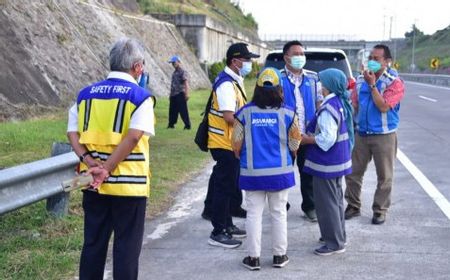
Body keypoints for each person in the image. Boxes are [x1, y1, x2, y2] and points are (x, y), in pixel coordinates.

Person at [67, 37, 155, 280]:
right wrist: (107, 168)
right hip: (129, 187)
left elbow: (72, 132)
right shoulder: (141, 97)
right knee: (126, 249)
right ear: (137, 67)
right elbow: (134, 136)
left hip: (93, 185)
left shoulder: (85, 95)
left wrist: (88, 159)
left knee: (93, 245)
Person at [233, 67, 301, 270]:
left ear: (257, 88)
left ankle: (253, 258)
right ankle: (279, 256)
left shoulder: (244, 113)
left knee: (254, 214)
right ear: (280, 89)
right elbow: (295, 143)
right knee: (279, 213)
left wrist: (241, 155)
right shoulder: (289, 113)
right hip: (280, 175)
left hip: (252, 175)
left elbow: (236, 144)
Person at [206, 42, 259, 248]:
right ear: (235, 61)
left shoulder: (234, 80)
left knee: (229, 187)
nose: (249, 64)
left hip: (230, 142)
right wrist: (248, 125)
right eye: (246, 60)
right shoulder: (226, 84)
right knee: (223, 187)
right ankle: (218, 231)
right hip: (224, 143)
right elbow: (229, 116)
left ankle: (227, 224)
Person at [344, 44, 405, 225]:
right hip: (361, 134)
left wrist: (372, 86)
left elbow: (384, 106)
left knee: (384, 176)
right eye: (370, 57)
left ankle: (380, 210)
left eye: (376, 58)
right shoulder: (361, 80)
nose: (371, 61)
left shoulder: (394, 82)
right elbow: (353, 104)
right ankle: (353, 206)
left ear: (387, 62)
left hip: (384, 135)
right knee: (353, 172)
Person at [302, 68, 353, 256]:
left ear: (328, 85)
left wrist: (307, 139)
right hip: (336, 163)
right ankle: (338, 236)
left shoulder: (327, 109)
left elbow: (327, 139)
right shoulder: (338, 102)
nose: (319, 86)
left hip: (326, 164)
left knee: (327, 204)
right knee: (336, 202)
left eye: (321, 83)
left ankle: (334, 244)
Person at [280, 40, 322, 222]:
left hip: (307, 136)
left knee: (308, 174)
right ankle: (281, 204)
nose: (300, 57)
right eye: (295, 54)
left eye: (302, 54)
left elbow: (320, 103)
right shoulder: (277, 78)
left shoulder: (313, 78)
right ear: (286, 57)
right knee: (282, 172)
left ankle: (310, 207)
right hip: (283, 136)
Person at [167, 55, 191, 129]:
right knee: (172, 111)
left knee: (183, 111)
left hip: (180, 94)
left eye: (174, 62)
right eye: (172, 63)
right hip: (173, 95)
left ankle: (187, 125)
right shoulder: (174, 73)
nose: (173, 64)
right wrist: (170, 95)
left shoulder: (182, 72)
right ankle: (171, 125)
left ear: (178, 62)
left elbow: (186, 83)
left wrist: (187, 94)